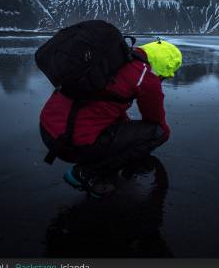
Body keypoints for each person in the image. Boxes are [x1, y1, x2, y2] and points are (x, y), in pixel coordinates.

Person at [39, 39, 182, 197]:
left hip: (49, 130)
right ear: (164, 65)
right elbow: (156, 120)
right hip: (72, 145)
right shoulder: (145, 76)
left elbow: (110, 102)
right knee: (159, 132)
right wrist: (135, 145)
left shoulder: (112, 60)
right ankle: (85, 173)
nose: (163, 79)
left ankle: (100, 160)